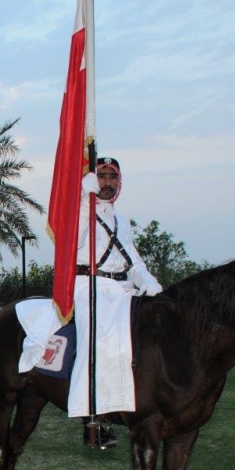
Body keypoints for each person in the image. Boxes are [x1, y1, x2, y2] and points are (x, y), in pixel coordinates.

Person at [72, 157, 162, 449]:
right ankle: (93, 418)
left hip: (122, 287)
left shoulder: (122, 221)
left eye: (112, 177)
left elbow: (133, 261)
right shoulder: (78, 213)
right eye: (101, 176)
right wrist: (85, 203)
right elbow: (72, 243)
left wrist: (147, 280)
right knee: (97, 337)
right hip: (89, 285)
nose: (107, 182)